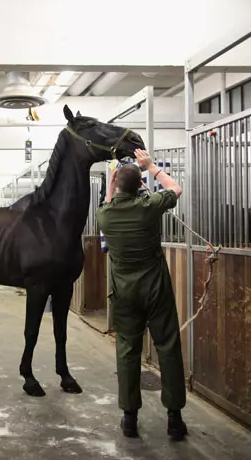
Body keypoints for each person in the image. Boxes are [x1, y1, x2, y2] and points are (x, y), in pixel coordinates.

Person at [96, 149, 188, 441]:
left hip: (124, 294)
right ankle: (174, 419)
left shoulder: (104, 215)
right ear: (140, 186)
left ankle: (129, 418)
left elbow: (110, 200)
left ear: (116, 185)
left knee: (127, 351)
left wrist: (113, 183)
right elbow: (176, 188)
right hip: (156, 289)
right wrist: (153, 167)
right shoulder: (150, 205)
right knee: (168, 348)